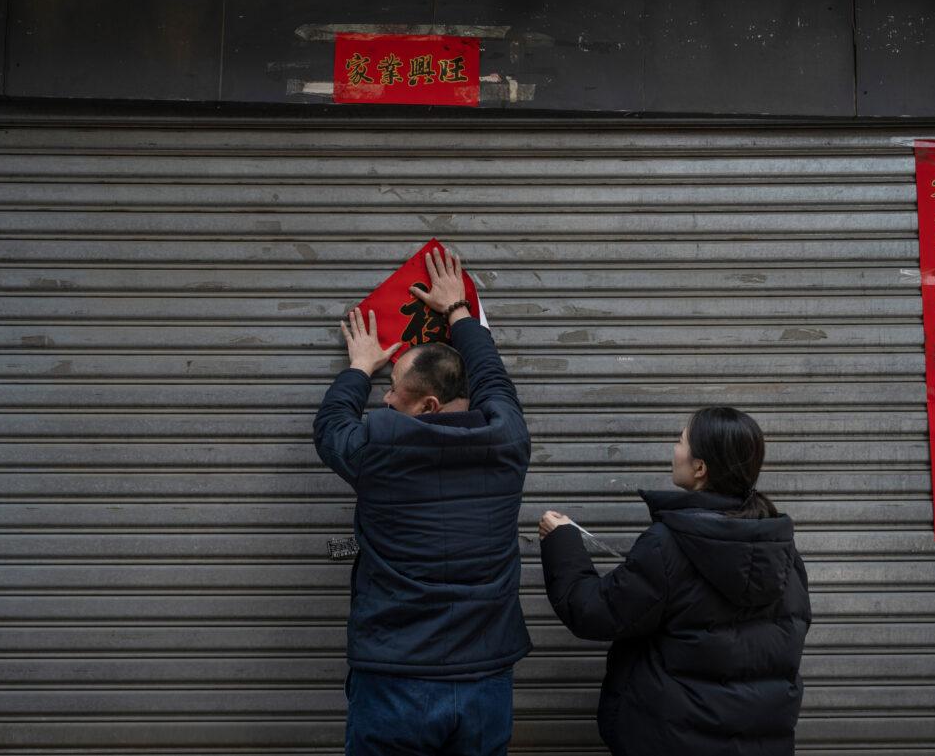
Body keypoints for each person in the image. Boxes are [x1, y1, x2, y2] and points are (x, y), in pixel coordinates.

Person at [314, 248, 532, 756]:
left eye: (393, 390)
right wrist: (458, 312)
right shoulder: (509, 442)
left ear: (427, 406)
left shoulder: (379, 449)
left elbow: (330, 432)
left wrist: (358, 368)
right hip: (484, 679)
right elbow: (492, 376)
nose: (385, 400)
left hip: (395, 681)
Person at [538, 407, 811, 756]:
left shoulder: (668, 544)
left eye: (680, 440)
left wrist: (562, 542)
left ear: (700, 468)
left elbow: (594, 611)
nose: (674, 448)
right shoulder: (782, 549)